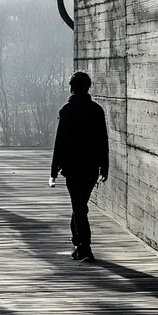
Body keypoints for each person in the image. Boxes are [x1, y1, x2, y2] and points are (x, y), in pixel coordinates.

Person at [48, 71, 109, 263]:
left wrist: (53, 171)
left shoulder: (67, 111)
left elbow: (60, 142)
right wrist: (104, 167)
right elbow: (102, 141)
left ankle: (85, 247)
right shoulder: (97, 110)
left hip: (73, 167)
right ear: (88, 87)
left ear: (72, 88)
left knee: (79, 206)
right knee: (80, 206)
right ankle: (78, 243)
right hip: (91, 167)